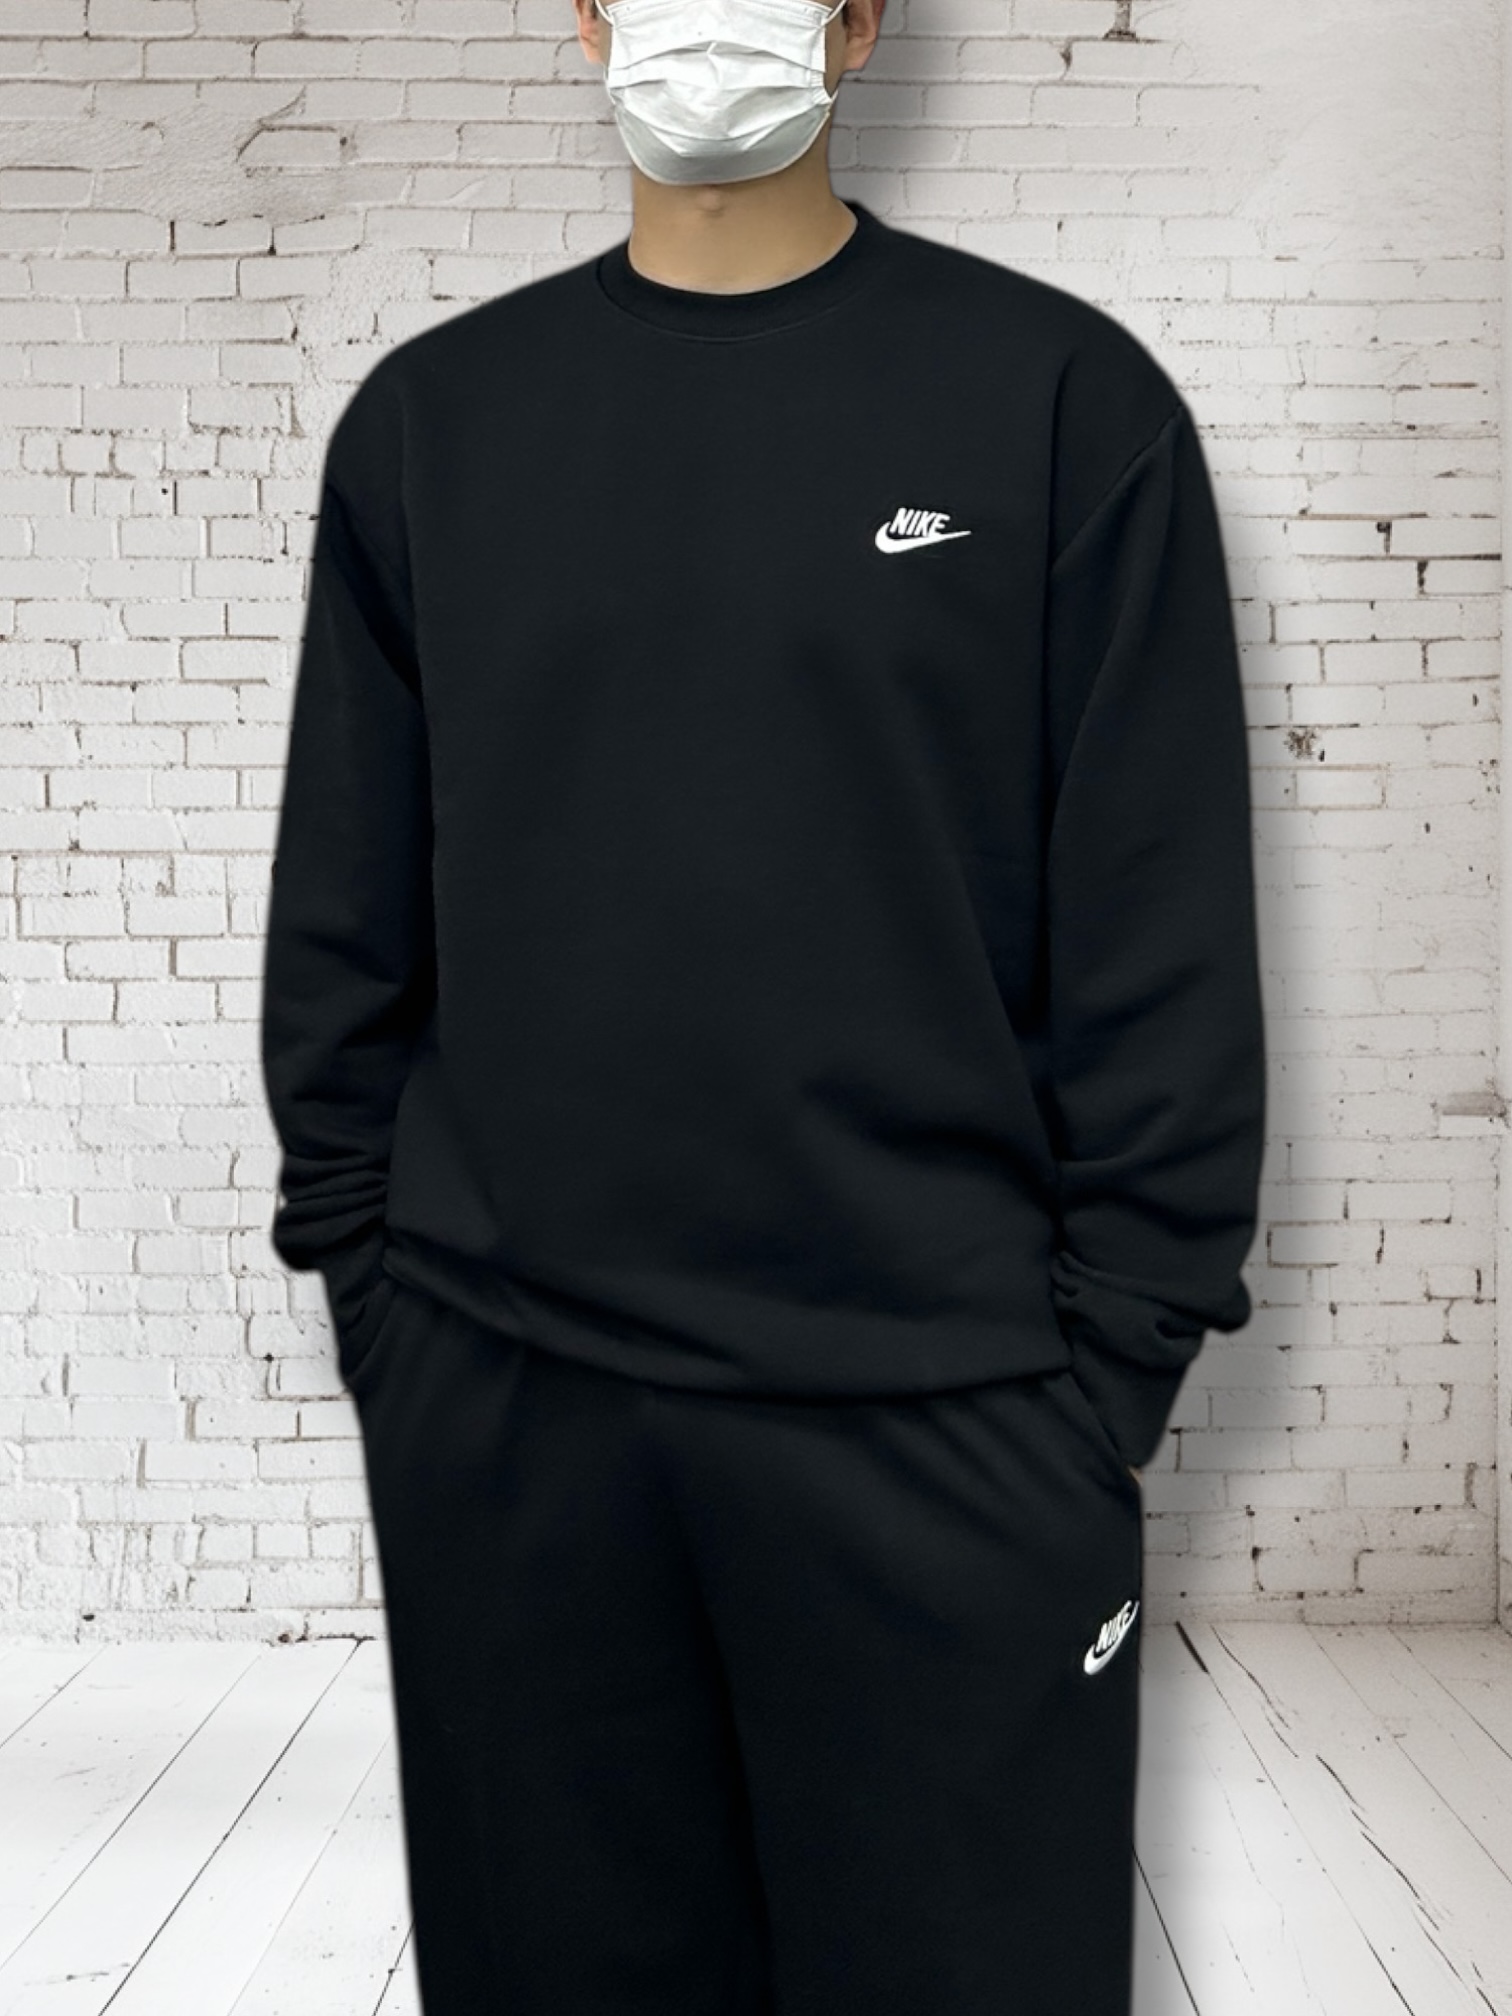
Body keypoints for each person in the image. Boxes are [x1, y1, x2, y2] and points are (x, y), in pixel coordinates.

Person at [259, 0, 1267, 2008]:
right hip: (511, 1411)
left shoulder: (1064, 400)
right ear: (585, 19)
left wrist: (1111, 1370)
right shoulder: (434, 422)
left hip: (953, 1420)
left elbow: (1158, 920)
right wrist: (382, 1303)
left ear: (860, 24)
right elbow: (347, 912)